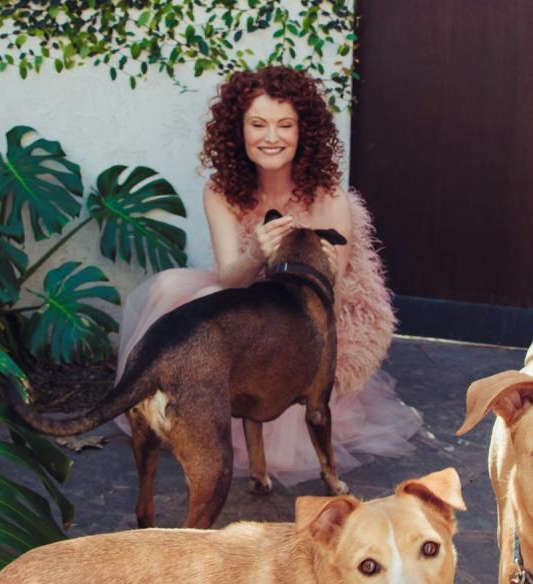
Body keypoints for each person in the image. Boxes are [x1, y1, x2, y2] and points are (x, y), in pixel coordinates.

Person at [116, 65, 421, 486]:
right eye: (258, 124)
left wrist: (295, 256)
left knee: (285, 351)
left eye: (285, 125)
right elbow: (231, 279)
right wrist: (254, 252)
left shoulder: (326, 193)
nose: (271, 137)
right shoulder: (221, 190)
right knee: (174, 289)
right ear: (238, 131)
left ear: (303, 132)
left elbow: (324, 290)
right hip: (249, 295)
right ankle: (181, 405)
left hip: (308, 314)